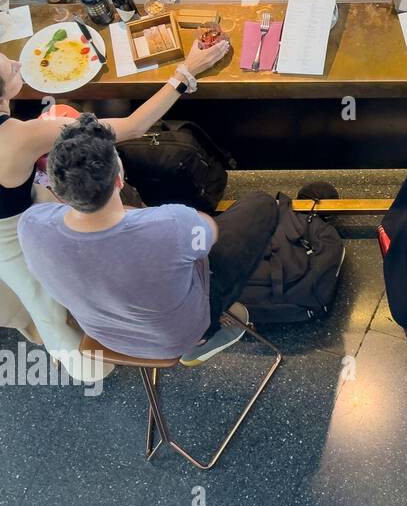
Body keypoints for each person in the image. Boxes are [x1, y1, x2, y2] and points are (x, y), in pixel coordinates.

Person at [0, 40, 228, 379]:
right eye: (9, 67)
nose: (19, 64)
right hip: (11, 232)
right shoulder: (19, 138)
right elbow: (133, 126)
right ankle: (91, 368)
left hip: (21, 210)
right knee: (45, 306)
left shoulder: (24, 144)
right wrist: (186, 72)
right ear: (118, 180)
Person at [17, 111, 276, 367]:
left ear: (58, 191)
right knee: (261, 204)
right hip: (179, 337)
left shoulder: (30, 226)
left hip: (104, 335)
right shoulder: (174, 224)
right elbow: (209, 234)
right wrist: (172, 221)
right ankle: (205, 336)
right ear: (119, 180)